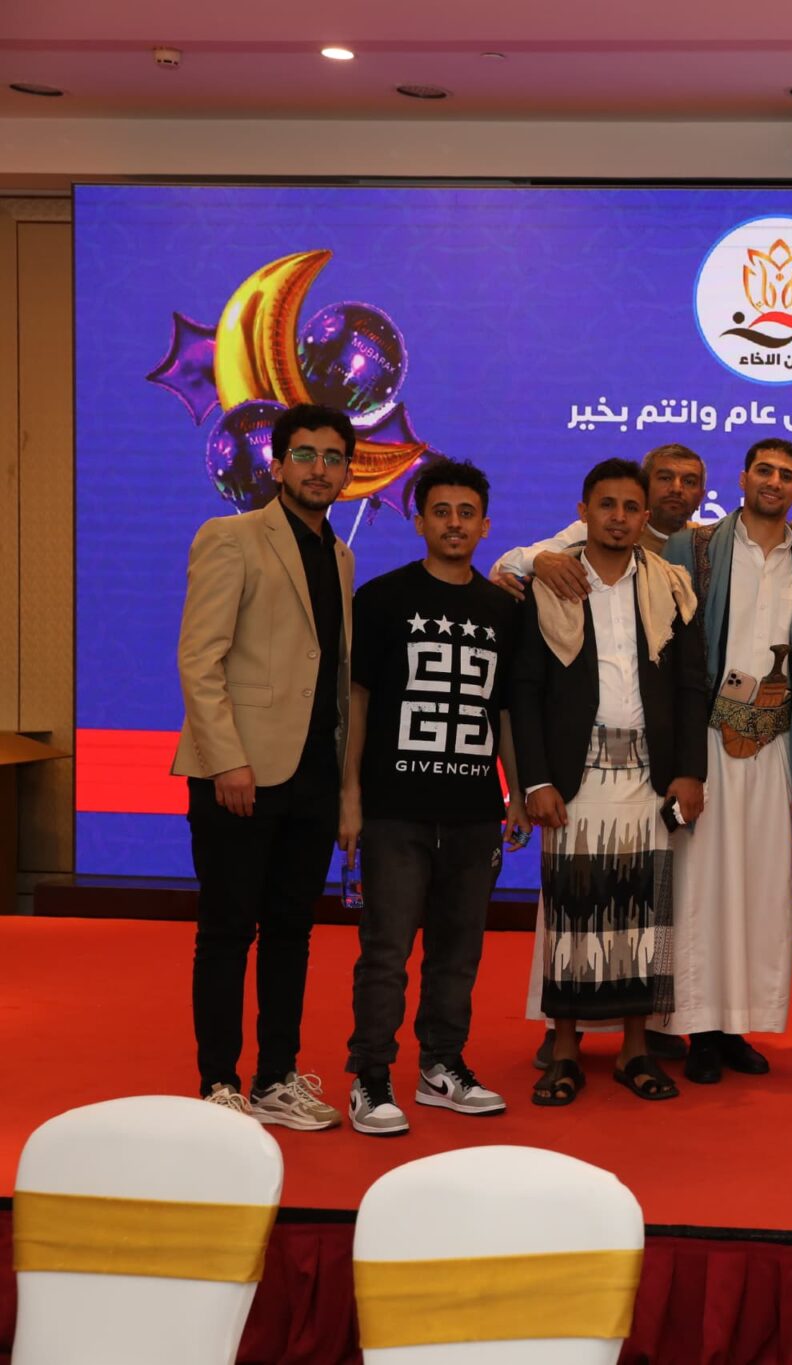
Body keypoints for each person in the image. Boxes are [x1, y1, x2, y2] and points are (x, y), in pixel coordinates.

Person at [172, 401, 357, 1128]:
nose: (319, 468)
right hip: (238, 772)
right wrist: (227, 761)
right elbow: (200, 659)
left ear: (347, 472)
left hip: (313, 773)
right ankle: (219, 1083)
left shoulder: (340, 555)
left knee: (291, 931)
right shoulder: (231, 537)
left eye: (333, 457)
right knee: (226, 931)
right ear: (277, 465)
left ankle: (277, 1077)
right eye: (305, 454)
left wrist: (343, 783)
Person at [511, 458, 708, 1106]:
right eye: (607, 505)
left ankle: (634, 1050)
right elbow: (525, 691)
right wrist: (534, 781)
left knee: (644, 916)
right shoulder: (553, 579)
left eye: (630, 507)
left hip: (650, 775)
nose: (618, 518)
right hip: (576, 778)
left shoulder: (672, 585)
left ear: (645, 516)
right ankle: (565, 1052)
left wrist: (690, 771)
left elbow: (690, 686)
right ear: (584, 511)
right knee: (573, 914)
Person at [337, 460, 525, 1136]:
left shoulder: (504, 610)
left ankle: (442, 1066)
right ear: (419, 521)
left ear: (485, 525)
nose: (454, 523)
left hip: (474, 812)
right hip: (395, 809)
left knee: (458, 950)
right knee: (386, 950)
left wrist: (516, 793)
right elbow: (357, 701)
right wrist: (349, 794)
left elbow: (505, 711)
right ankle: (371, 1076)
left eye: (466, 513)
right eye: (440, 511)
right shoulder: (382, 599)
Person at [660, 436, 792, 1083]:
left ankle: (736, 1026)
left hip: (775, 744)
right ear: (744, 477)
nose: (774, 482)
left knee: (760, 885)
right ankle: (698, 1027)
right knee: (700, 884)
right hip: (705, 742)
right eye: (764, 470)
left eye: (786, 474)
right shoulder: (694, 547)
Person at [490, 443, 705, 602]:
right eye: (665, 478)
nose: (677, 489)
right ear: (643, 488)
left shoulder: (707, 544)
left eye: (689, 481)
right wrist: (538, 560)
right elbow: (504, 565)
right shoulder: (598, 531)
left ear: (701, 496)